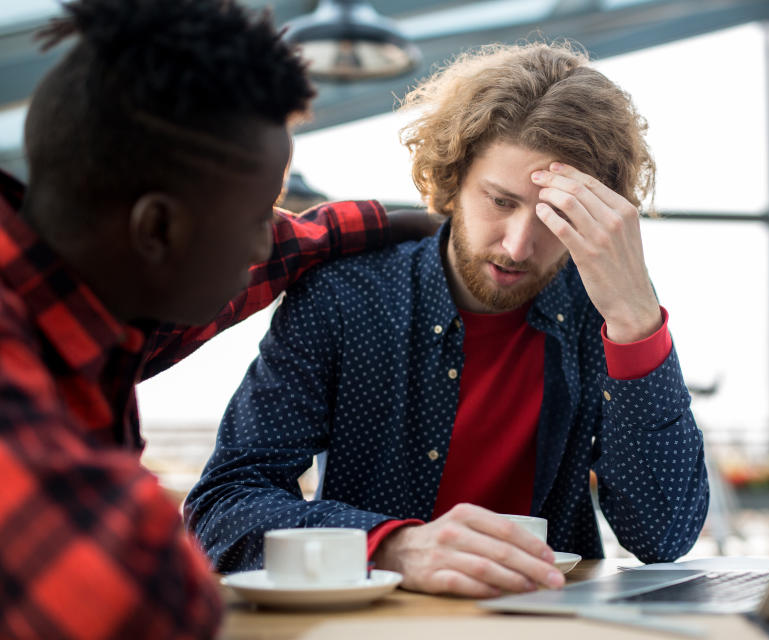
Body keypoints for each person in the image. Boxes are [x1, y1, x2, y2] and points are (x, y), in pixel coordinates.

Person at [186, 42, 709, 599]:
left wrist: (635, 321)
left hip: (549, 624)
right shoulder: (345, 296)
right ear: (453, 180)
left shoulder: (605, 311)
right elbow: (224, 504)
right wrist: (389, 547)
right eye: (501, 201)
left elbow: (664, 536)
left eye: (556, 215)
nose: (519, 245)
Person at [0, 0, 432, 637]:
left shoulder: (89, 300)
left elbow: (286, 250)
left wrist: (430, 228)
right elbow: (135, 605)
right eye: (258, 216)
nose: (265, 244)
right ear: (158, 229)